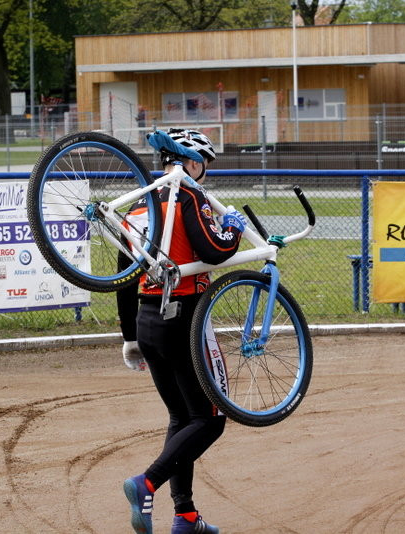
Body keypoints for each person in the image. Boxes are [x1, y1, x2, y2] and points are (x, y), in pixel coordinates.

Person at [118, 129, 246, 534]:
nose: (204, 173)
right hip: (185, 317)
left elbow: (123, 277)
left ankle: (185, 514)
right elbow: (214, 250)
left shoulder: (142, 203)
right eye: (203, 165)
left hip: (146, 319)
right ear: (192, 163)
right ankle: (147, 482)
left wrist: (130, 338)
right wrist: (234, 228)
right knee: (210, 419)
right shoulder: (186, 195)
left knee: (181, 417)